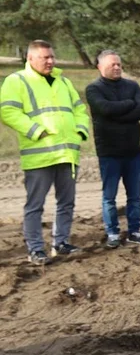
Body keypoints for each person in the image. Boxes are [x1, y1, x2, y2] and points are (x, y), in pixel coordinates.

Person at [0, 40, 90, 264]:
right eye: (45, 57)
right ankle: (36, 249)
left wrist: (80, 131)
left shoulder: (63, 81)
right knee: (35, 205)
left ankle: (61, 243)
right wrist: (36, 131)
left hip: (68, 154)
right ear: (30, 58)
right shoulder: (17, 80)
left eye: (52, 57)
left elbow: (79, 109)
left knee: (66, 203)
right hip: (39, 155)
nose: (50, 61)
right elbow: (8, 111)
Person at [85, 50, 140, 247]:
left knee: (135, 196)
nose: (116, 68)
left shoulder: (132, 85)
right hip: (109, 152)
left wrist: (118, 112)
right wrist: (129, 106)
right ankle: (112, 232)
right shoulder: (93, 89)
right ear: (100, 67)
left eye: (119, 65)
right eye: (112, 65)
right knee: (109, 197)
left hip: (132, 151)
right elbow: (104, 109)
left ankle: (134, 230)